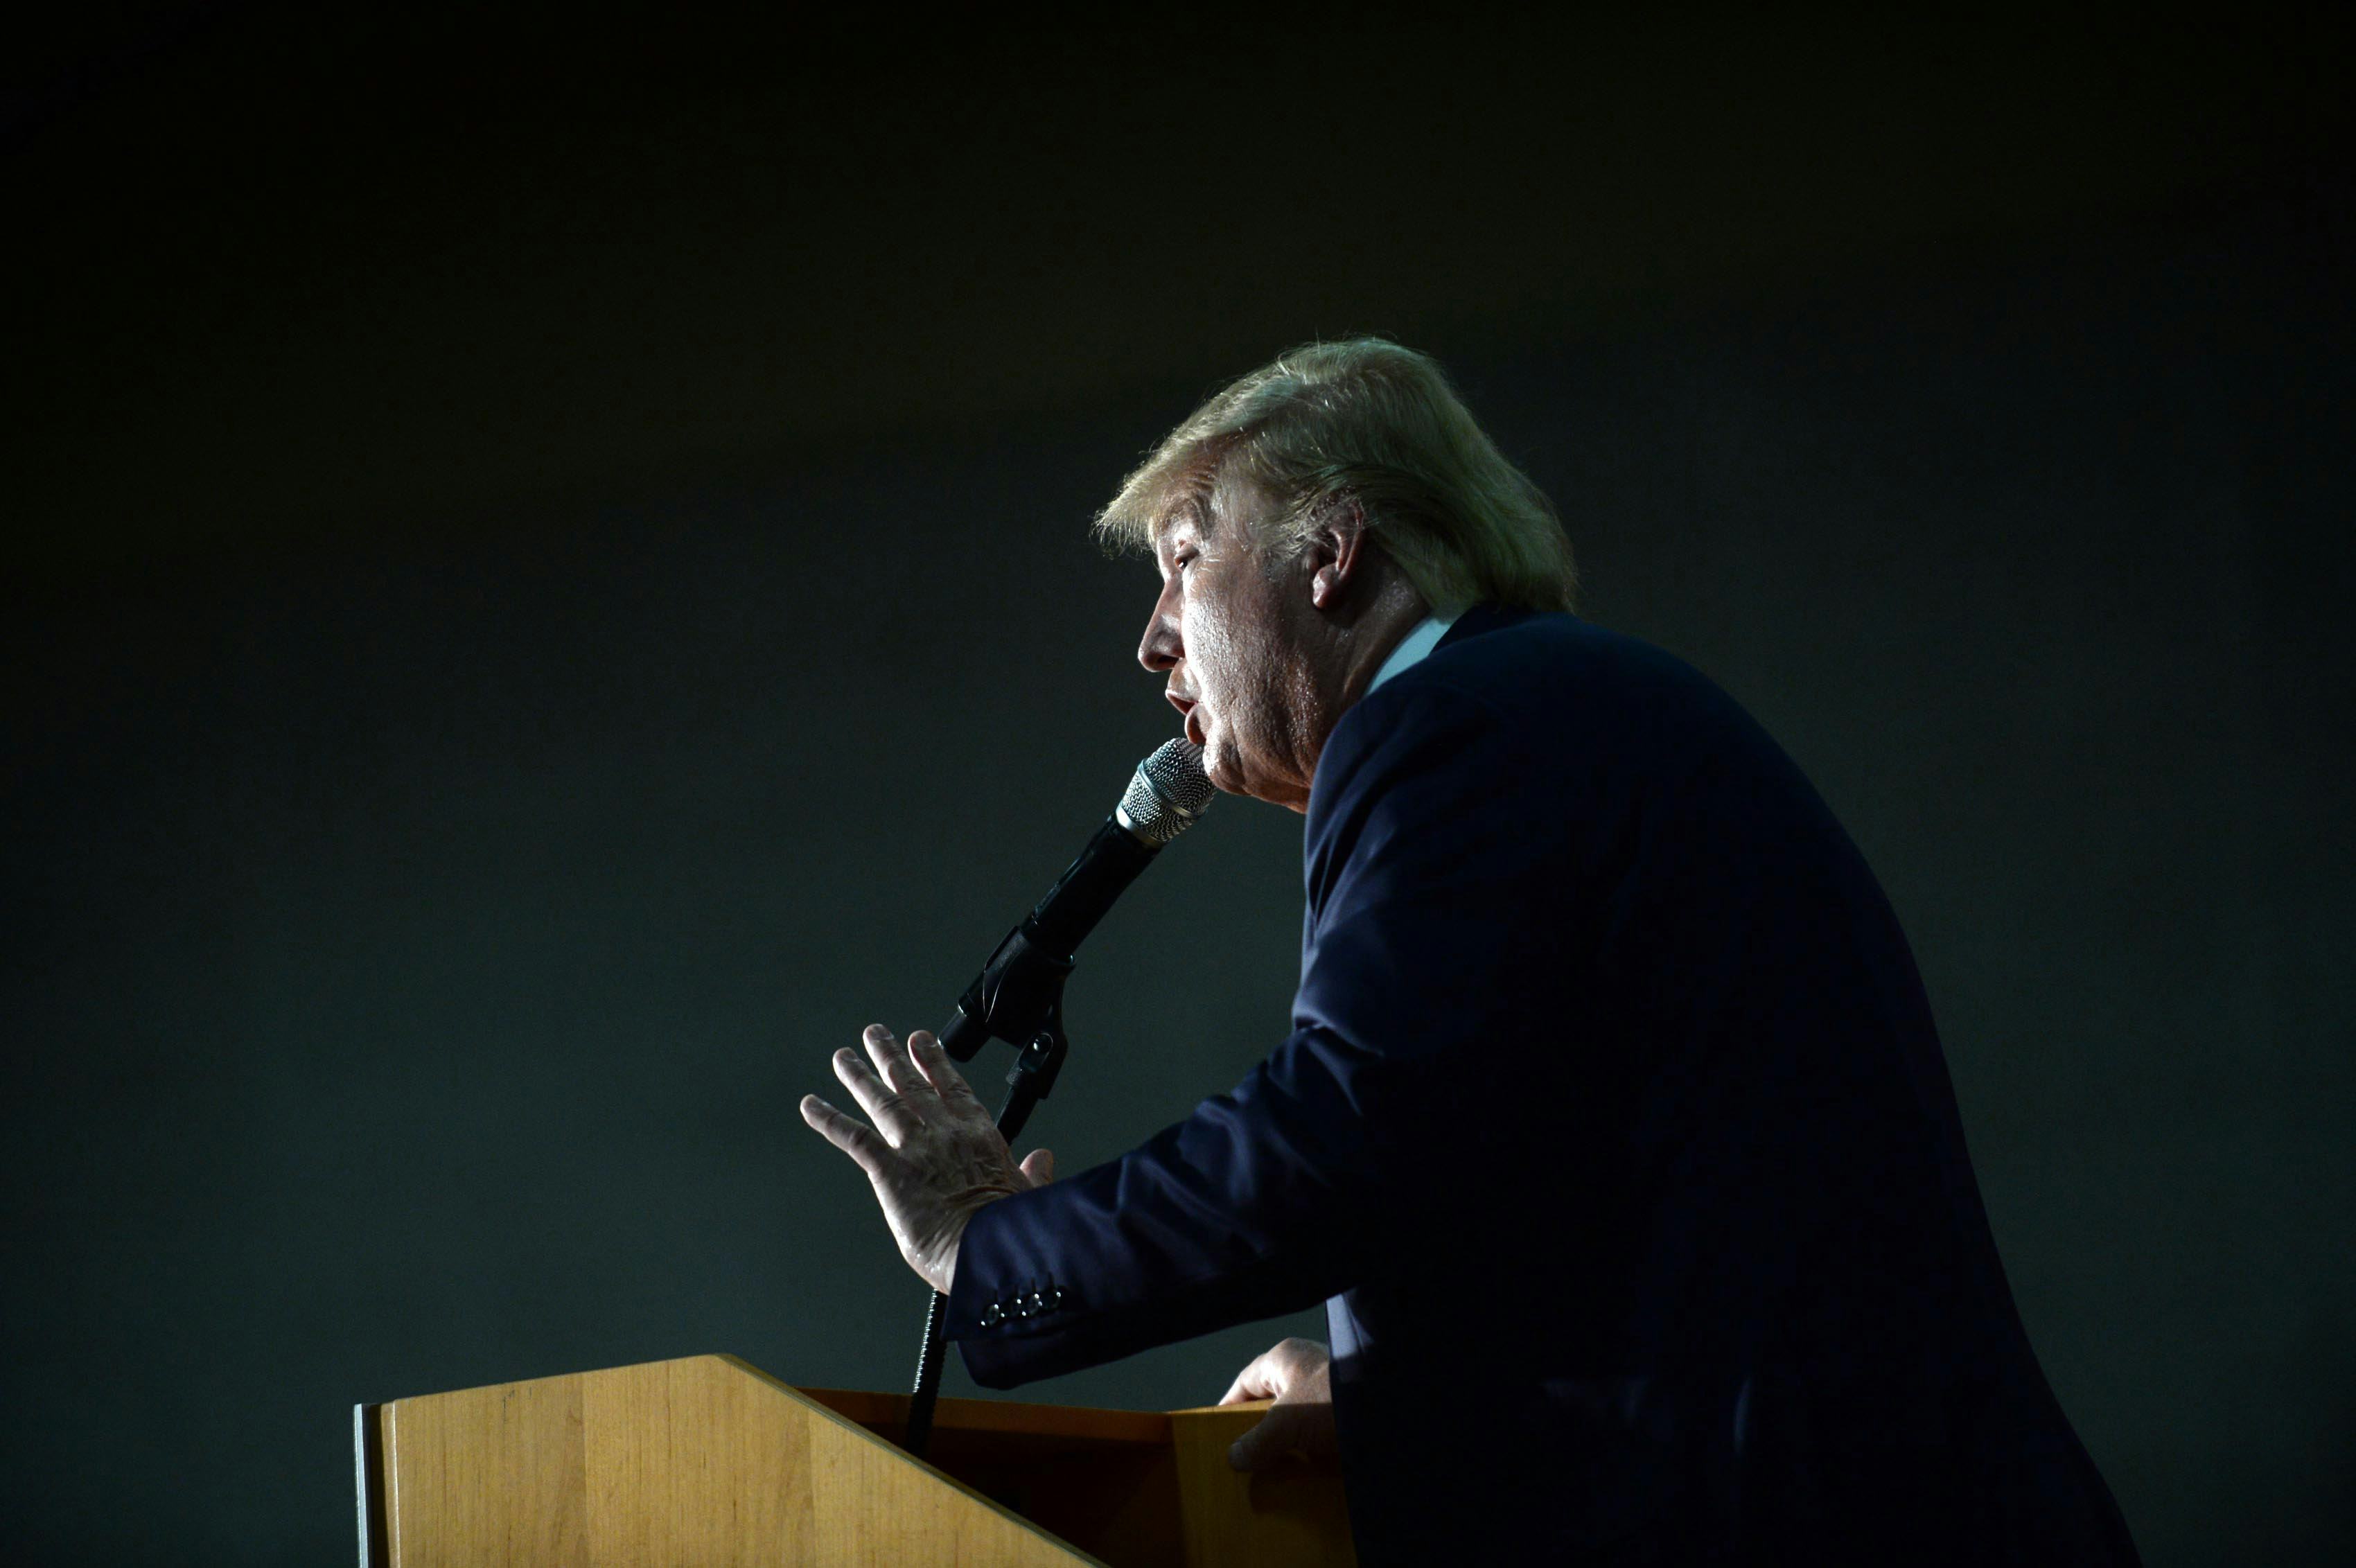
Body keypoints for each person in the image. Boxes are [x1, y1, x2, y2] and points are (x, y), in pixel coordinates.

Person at [800, 340, 2140, 1564]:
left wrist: (996, 1249)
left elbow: (1346, 1135)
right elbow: (1597, 1207)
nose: (1152, 638)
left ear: (1331, 554)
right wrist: (1400, 1404)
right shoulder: (1551, 711)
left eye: (1187, 560)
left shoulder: (1449, 727)